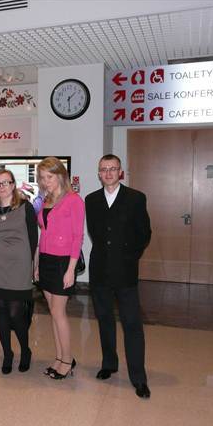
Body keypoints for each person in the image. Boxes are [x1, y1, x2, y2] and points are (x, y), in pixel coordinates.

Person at [84, 154, 152, 399]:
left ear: (120, 172)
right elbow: (95, 233)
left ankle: (138, 378)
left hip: (125, 271)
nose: (108, 173)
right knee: (104, 320)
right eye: (104, 169)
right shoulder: (91, 200)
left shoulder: (135, 198)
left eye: (113, 169)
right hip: (100, 270)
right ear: (99, 173)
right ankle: (109, 364)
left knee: (132, 324)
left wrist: (129, 256)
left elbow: (144, 234)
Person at [34, 157, 84, 379]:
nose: (46, 181)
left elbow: (77, 237)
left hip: (63, 262)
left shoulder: (74, 200)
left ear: (61, 175)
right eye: (43, 178)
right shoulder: (46, 200)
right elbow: (43, 234)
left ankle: (67, 359)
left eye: (50, 176)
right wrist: (37, 263)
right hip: (46, 259)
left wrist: (70, 270)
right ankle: (59, 357)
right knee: (53, 313)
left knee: (58, 312)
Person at [0, 169, 38, 374]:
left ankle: (25, 350)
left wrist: (34, 265)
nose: (2, 187)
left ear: (13, 184)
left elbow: (33, 238)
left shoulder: (25, 207)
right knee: (1, 310)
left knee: (16, 312)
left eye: (6, 182)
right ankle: (7, 354)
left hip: (20, 264)